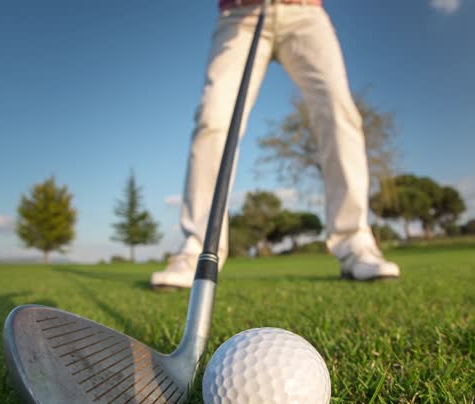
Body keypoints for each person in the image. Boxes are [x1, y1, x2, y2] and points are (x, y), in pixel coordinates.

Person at [151, 0, 400, 289]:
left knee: (338, 111)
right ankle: (200, 249)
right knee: (214, 116)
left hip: (305, 13)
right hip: (239, 14)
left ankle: (355, 242)